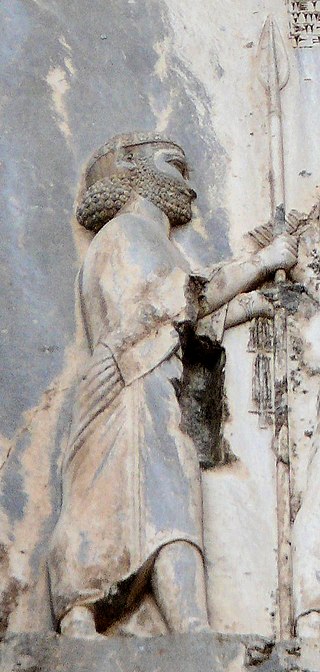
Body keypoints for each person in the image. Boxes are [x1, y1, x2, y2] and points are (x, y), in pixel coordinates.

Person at [48, 132, 298, 638]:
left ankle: (183, 623)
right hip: (130, 379)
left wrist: (250, 305)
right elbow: (170, 302)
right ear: (133, 167)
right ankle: (97, 616)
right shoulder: (126, 233)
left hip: (149, 377)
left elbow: (184, 316)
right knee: (132, 499)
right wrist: (262, 261)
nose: (191, 188)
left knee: (161, 501)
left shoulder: (150, 240)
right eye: (175, 167)